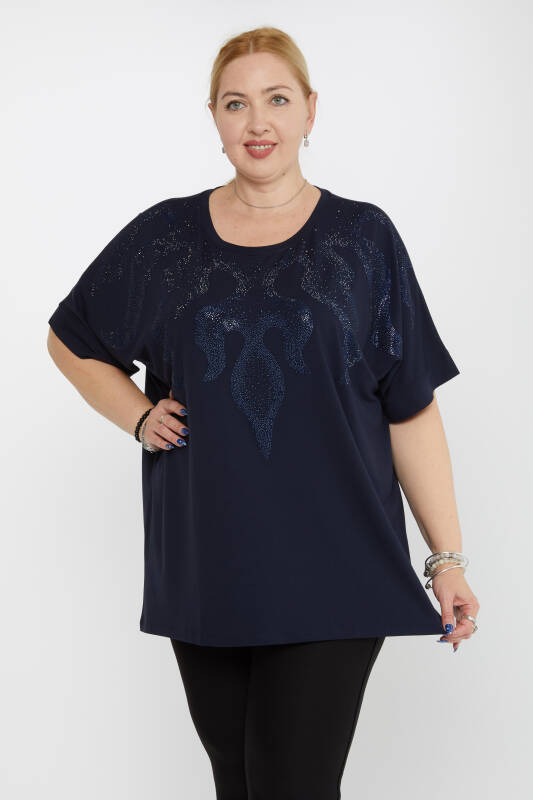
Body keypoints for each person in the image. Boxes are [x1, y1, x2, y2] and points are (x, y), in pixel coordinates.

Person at [47, 25, 480, 800]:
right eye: (235, 103)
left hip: (336, 560)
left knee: (291, 783)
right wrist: (137, 414)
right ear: (213, 117)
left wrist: (445, 558)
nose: (257, 122)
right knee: (239, 782)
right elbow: (71, 339)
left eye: (277, 100)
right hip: (206, 561)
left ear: (310, 110)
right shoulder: (165, 240)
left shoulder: (363, 239)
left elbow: (409, 405)